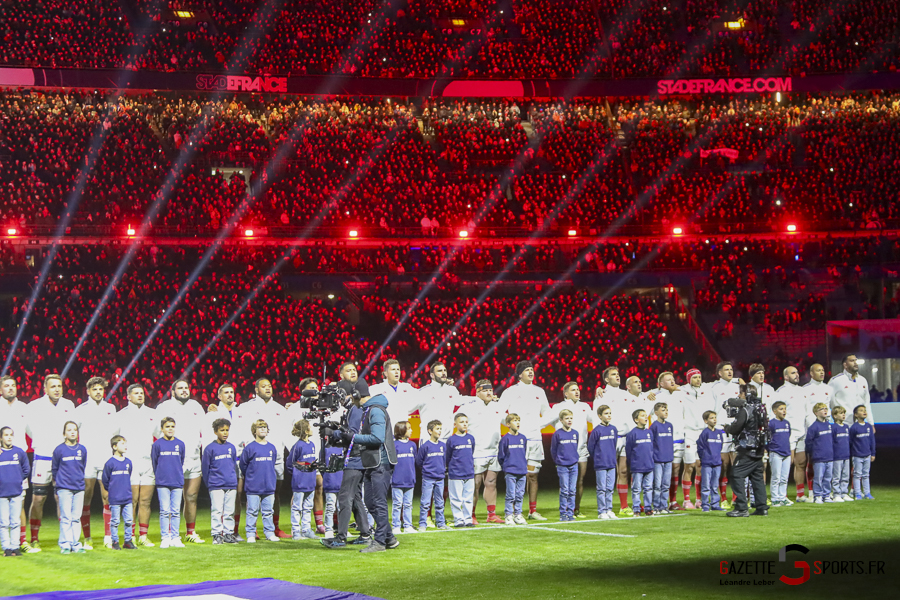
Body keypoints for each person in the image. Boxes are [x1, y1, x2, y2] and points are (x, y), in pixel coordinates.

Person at [345, 379, 398, 552]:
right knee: (370, 501)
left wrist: (351, 437)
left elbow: (377, 438)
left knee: (379, 503)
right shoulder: (370, 410)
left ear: (357, 395)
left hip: (380, 462)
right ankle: (389, 538)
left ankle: (381, 542)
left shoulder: (374, 411)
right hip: (373, 462)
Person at [499, 360, 557, 521]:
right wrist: (511, 426)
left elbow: (548, 413)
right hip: (517, 440)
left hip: (534, 439)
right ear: (519, 374)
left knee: (533, 475)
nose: (531, 372)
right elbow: (499, 412)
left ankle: (532, 510)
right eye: (527, 370)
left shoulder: (539, 391)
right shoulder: (510, 392)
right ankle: (513, 512)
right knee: (516, 474)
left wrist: (539, 424)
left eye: (532, 369)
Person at [25, 374, 76, 552]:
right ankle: (34, 539)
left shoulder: (69, 405)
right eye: (53, 386)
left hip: (63, 459)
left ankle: (66, 538)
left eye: (59, 386)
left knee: (61, 498)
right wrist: (41, 442)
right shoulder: (34, 406)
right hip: (43, 456)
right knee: (38, 498)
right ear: (45, 389)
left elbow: (71, 429)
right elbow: (29, 429)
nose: (57, 389)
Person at [322, 378, 373, 549]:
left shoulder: (355, 409)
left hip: (355, 458)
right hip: (358, 458)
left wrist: (336, 433)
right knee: (356, 497)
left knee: (344, 497)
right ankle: (365, 533)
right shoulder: (355, 409)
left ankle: (341, 537)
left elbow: (352, 434)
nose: (337, 399)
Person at [156, 380, 205, 544]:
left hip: (194, 457)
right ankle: (169, 534)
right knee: (171, 500)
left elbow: (203, 430)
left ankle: (190, 532)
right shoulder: (164, 407)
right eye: (180, 388)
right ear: (172, 391)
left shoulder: (196, 407)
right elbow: (156, 430)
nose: (184, 391)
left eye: (186, 388)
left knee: (191, 496)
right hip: (173, 459)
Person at [241, 378, 289, 539]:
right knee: (253, 494)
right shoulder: (248, 407)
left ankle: (274, 528)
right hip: (255, 456)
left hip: (276, 456)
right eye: (264, 386)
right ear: (256, 390)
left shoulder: (280, 409)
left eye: (269, 386)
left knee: (275, 492)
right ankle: (252, 529)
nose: (268, 389)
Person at [74, 376, 116, 551]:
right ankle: (87, 537)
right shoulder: (80, 410)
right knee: (86, 497)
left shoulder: (111, 408)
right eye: (95, 389)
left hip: (105, 458)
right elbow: (73, 433)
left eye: (101, 389)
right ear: (88, 391)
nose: (98, 392)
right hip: (88, 460)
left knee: (107, 497)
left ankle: (108, 536)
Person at [455, 380, 505, 524]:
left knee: (491, 483)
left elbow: (507, 420)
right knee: (475, 484)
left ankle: (491, 514)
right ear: (477, 392)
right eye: (485, 390)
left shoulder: (497, 406)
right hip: (476, 451)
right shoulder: (469, 407)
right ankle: (470, 514)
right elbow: (457, 420)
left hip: (494, 451)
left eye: (490, 390)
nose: (489, 393)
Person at [115, 383, 159, 547]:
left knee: (146, 501)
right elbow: (113, 438)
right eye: (136, 393)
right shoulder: (121, 415)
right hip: (130, 463)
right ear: (128, 396)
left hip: (147, 463)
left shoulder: (152, 414)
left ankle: (143, 535)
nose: (140, 395)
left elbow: (159, 434)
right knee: (131, 501)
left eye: (142, 393)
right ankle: (129, 535)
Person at [722, 385, 769, 518]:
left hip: (747, 448)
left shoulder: (746, 409)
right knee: (757, 477)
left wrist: (728, 428)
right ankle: (761, 507)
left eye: (741, 393)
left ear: (745, 394)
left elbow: (737, 427)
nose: (739, 395)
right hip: (759, 448)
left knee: (736, 474)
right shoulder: (761, 407)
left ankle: (741, 507)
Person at [206, 383, 245, 538]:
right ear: (219, 396)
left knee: (238, 495)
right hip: (222, 459)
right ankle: (218, 531)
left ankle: (232, 531)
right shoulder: (213, 413)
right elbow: (209, 437)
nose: (230, 395)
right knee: (219, 499)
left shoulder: (241, 411)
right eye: (226, 392)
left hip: (239, 457)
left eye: (232, 392)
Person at [554, 382, 595, 518]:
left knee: (579, 481)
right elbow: (545, 421)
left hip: (581, 449)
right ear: (566, 393)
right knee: (565, 484)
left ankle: (575, 509)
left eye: (578, 389)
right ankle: (565, 510)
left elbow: (595, 418)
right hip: (565, 450)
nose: (577, 392)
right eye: (573, 390)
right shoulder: (559, 407)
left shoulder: (584, 406)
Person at [0, 376, 28, 552]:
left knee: (21, 502)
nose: (10, 388)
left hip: (18, 460)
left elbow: (32, 431)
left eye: (13, 385)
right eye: (6, 386)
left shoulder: (24, 408)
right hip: (2, 462)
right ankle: (6, 543)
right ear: (1, 389)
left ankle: (21, 541)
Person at [240, 419, 279, 543]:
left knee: (268, 511)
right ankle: (250, 533)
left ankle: (269, 533)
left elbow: (272, 465)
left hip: (269, 486)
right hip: (253, 486)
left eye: (265, 427)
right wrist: (252, 477)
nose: (263, 429)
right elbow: (243, 465)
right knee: (252, 511)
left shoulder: (272, 447)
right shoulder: (250, 447)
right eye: (260, 427)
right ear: (254, 431)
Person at [202, 418, 239, 544]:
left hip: (231, 484)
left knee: (229, 511)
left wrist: (233, 480)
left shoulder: (231, 447)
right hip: (216, 485)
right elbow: (205, 469)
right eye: (222, 430)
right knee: (217, 510)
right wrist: (210, 484)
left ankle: (228, 534)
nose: (225, 433)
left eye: (227, 430)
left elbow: (233, 465)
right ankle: (217, 534)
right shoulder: (209, 448)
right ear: (215, 432)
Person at [150, 417, 186, 548]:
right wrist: (160, 476)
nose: (170, 429)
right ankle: (165, 537)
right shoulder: (157, 444)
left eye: (172, 426)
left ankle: (175, 537)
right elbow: (155, 462)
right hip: (162, 482)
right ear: (162, 429)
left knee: (176, 511)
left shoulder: (180, 444)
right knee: (165, 510)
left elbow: (180, 461)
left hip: (177, 481)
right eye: (167, 426)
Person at [52, 421, 87, 554]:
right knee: (66, 517)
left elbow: (82, 466)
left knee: (76, 517)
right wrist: (59, 483)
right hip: (64, 488)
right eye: (69, 430)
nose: (72, 432)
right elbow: (55, 469)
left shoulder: (82, 449)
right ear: (64, 433)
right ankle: (65, 544)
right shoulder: (59, 450)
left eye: (75, 430)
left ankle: (75, 544)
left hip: (79, 487)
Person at [710, 362, 741, 510]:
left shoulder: (737, 387)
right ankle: (722, 497)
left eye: (731, 369)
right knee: (723, 465)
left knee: (737, 464)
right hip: (722, 430)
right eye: (726, 369)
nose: (730, 372)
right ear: (719, 373)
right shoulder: (714, 388)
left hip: (736, 430)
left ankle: (736, 496)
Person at [681, 368, 714, 509]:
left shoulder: (707, 389)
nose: (698, 379)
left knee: (701, 466)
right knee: (689, 466)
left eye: (699, 376)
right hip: (689, 432)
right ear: (689, 379)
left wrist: (738, 380)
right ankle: (686, 499)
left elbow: (722, 382)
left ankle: (699, 499)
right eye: (694, 377)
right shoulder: (681, 391)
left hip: (703, 432)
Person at [779, 366, 811, 503]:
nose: (796, 375)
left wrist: (810, 428)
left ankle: (800, 494)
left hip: (802, 431)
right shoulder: (781, 392)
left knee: (801, 463)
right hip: (789, 432)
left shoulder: (803, 391)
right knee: (787, 464)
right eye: (793, 373)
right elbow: (775, 411)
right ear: (786, 377)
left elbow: (808, 411)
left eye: (797, 372)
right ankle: (782, 495)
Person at [653, 373, 684, 511]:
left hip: (680, 436)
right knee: (659, 477)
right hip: (664, 440)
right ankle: (656, 504)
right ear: (660, 384)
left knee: (675, 470)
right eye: (668, 380)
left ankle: (671, 502)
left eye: (673, 379)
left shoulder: (681, 394)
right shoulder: (656, 397)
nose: (672, 381)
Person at [409, 361, 460, 443]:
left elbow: (462, 404)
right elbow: (407, 409)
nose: (443, 373)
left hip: (447, 440)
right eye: (440, 371)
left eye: (445, 370)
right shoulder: (424, 392)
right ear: (432, 375)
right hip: (429, 440)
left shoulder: (452, 390)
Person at [0, 426, 29, 556]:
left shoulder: (19, 452)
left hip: (16, 491)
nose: (9, 437)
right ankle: (6, 547)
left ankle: (15, 547)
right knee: (4, 522)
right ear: (1, 438)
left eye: (11, 434)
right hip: (1, 493)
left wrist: (17, 479)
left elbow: (26, 469)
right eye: (6, 435)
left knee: (15, 521)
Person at [102, 435, 135, 550]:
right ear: (115, 446)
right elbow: (105, 480)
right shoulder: (110, 463)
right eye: (122, 444)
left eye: (125, 443)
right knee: (115, 521)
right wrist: (112, 490)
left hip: (127, 497)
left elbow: (128, 475)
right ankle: (115, 542)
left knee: (129, 520)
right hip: (115, 498)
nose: (125, 446)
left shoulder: (128, 462)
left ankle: (128, 541)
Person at [287, 419, 317, 540]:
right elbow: (290, 463)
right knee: (297, 507)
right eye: (310, 427)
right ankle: (296, 531)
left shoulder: (312, 444)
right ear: (305, 430)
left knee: (308, 506)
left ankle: (306, 529)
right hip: (300, 482)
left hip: (310, 481)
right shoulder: (297, 446)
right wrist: (296, 474)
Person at [370, 359, 418, 434]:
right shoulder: (376, 389)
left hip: (403, 434)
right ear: (386, 373)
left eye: (398, 369)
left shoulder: (407, 388)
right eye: (393, 369)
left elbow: (420, 397)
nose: (396, 372)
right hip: (386, 433)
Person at [587, 405, 618, 520]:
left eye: (610, 413)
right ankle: (602, 511)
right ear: (600, 416)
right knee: (602, 488)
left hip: (611, 463)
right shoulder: (596, 431)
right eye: (606, 413)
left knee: (610, 488)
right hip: (601, 464)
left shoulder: (613, 429)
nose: (609, 415)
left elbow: (613, 444)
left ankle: (609, 509)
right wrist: (598, 458)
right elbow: (591, 447)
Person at [416, 420, 447, 532]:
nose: (439, 431)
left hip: (440, 478)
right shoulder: (425, 446)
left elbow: (445, 460)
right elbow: (419, 461)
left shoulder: (443, 446)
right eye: (437, 429)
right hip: (428, 478)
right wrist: (427, 470)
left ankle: (441, 523)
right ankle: (422, 524)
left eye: (440, 429)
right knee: (425, 502)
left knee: (440, 502)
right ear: (430, 431)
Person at [445, 413, 475, 528]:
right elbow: (448, 456)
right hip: (456, 474)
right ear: (455, 424)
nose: (465, 424)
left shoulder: (470, 438)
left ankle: (468, 520)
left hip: (469, 473)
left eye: (466, 422)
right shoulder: (452, 440)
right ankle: (459, 520)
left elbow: (471, 452)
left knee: (468, 499)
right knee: (456, 499)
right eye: (462, 422)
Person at [829, 355, 874, 431]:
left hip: (860, 424)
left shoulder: (862, 380)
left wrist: (871, 423)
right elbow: (829, 401)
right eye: (852, 361)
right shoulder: (836, 381)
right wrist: (837, 415)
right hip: (842, 424)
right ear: (845, 364)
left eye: (856, 360)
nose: (855, 363)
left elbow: (866, 403)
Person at [497, 413, 527, 525]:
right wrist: (506, 466)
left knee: (520, 494)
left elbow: (524, 452)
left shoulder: (523, 438)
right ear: (508, 424)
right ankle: (508, 515)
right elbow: (501, 456)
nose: (517, 423)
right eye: (515, 421)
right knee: (511, 494)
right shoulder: (505, 439)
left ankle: (518, 514)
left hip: (522, 470)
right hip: (510, 471)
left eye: (518, 420)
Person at [550, 409, 579, 522]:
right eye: (567, 418)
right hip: (562, 465)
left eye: (571, 418)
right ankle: (563, 513)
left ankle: (570, 513)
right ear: (561, 420)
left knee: (572, 490)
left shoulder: (575, 433)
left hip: (574, 465)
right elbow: (553, 450)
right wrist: (558, 462)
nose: (569, 420)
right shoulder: (557, 434)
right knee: (564, 490)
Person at [625, 409, 654, 516]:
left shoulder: (649, 432)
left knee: (648, 488)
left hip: (649, 466)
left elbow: (652, 449)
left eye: (646, 415)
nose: (646, 417)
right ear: (636, 419)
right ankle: (636, 508)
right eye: (642, 416)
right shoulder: (632, 434)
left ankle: (648, 508)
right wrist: (631, 464)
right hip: (637, 466)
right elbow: (629, 451)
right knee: (636, 488)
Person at [391, 421, 417, 535]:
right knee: (397, 504)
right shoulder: (394, 445)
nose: (411, 430)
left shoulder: (412, 445)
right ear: (402, 430)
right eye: (409, 428)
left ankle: (408, 525)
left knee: (408, 504)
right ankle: (396, 526)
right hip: (397, 480)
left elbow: (414, 461)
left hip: (410, 480)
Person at [805, 403, 834, 504]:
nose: (825, 410)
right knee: (818, 478)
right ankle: (817, 496)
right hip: (819, 457)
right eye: (822, 409)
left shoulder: (829, 425)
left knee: (828, 478)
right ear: (816, 413)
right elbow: (808, 442)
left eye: (826, 408)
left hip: (829, 457)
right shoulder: (814, 427)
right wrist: (813, 454)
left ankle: (826, 496)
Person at [697, 411, 724, 512]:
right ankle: (705, 505)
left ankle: (715, 504)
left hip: (717, 463)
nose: (714, 420)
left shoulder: (718, 433)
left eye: (715, 417)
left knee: (715, 485)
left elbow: (720, 447)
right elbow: (700, 447)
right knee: (706, 485)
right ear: (706, 421)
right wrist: (703, 458)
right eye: (712, 418)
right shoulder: (705, 433)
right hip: (707, 463)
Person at [650, 402, 674, 515]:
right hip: (658, 459)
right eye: (663, 410)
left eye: (666, 410)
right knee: (657, 485)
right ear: (656, 413)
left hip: (668, 458)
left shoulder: (669, 426)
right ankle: (656, 506)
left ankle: (664, 506)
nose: (666, 412)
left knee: (666, 485)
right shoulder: (654, 426)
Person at [767, 401, 792, 507]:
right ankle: (774, 498)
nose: (784, 411)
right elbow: (767, 438)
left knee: (784, 477)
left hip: (786, 452)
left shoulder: (787, 423)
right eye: (781, 409)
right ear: (774, 411)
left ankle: (782, 497)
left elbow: (788, 435)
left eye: (785, 409)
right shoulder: (771, 423)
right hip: (776, 452)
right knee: (776, 477)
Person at [849, 405, 875, 500]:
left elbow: (872, 441)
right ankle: (858, 493)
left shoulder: (868, 426)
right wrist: (854, 452)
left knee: (866, 475)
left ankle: (867, 493)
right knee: (857, 475)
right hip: (857, 456)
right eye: (861, 410)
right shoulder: (854, 427)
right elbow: (851, 441)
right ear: (856, 414)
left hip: (867, 455)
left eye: (865, 410)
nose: (864, 412)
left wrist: (873, 453)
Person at [830, 407, 852, 502]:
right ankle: (836, 494)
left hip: (846, 455)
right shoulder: (833, 428)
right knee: (836, 476)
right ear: (835, 416)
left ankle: (844, 493)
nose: (843, 415)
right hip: (837, 456)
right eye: (841, 413)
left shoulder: (846, 427)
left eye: (844, 413)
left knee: (845, 476)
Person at [322, 445, 344, 538]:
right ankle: (329, 529)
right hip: (331, 482)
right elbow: (322, 465)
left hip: (342, 482)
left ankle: (341, 529)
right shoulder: (325, 449)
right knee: (330, 507)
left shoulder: (343, 448)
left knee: (341, 508)